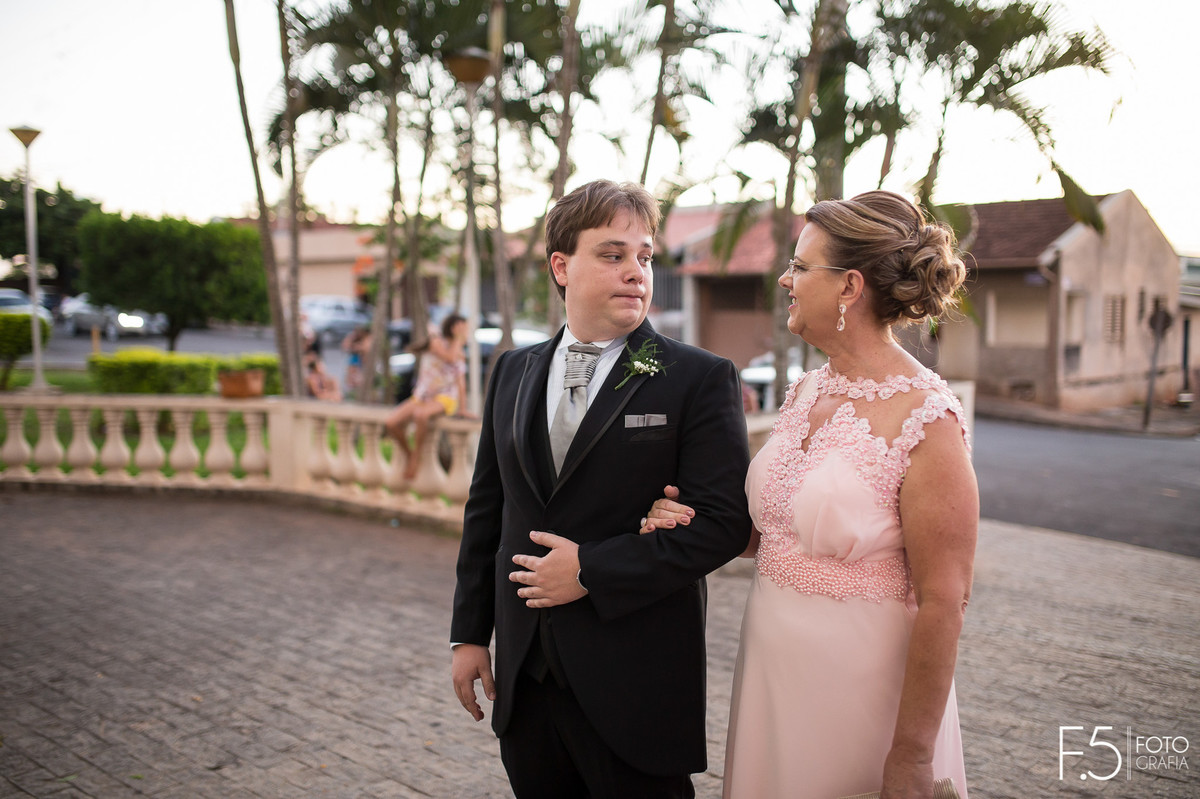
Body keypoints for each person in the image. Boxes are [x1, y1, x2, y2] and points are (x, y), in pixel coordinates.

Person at [643, 190, 977, 799]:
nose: (785, 279)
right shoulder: (805, 392)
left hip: (859, 687)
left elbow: (945, 601)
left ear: (849, 287)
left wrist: (910, 756)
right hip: (774, 671)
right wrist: (687, 517)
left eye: (800, 267)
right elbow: (771, 533)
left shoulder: (928, 418)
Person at [450, 180, 751, 798]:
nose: (636, 272)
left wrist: (590, 569)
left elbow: (721, 525)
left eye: (643, 256)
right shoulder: (512, 369)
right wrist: (470, 634)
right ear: (562, 267)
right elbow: (488, 508)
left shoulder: (697, 378)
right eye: (612, 255)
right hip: (526, 679)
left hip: (635, 679)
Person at [385, 314, 470, 481]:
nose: (466, 332)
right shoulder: (436, 342)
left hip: (445, 398)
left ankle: (416, 456)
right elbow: (449, 357)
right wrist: (459, 339)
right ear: (454, 328)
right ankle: (409, 454)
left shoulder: (459, 352)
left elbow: (461, 383)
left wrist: (463, 409)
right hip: (422, 396)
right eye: (463, 328)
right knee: (391, 423)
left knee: (421, 415)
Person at [342, 325, 371, 392]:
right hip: (354, 358)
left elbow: (365, 349)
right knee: (352, 374)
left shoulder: (366, 339)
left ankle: (355, 388)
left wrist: (357, 347)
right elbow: (345, 346)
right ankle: (351, 388)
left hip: (360, 360)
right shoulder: (352, 337)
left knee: (358, 375)